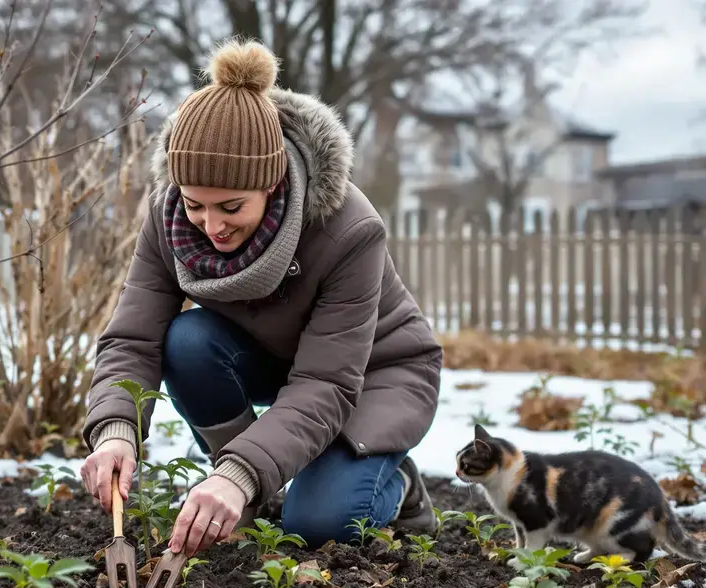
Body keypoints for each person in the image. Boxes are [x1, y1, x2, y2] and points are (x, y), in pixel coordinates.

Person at [77, 37, 443, 559]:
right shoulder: (168, 216)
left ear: (271, 183)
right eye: (195, 204)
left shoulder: (347, 230)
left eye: (230, 206)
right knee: (186, 341)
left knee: (318, 525)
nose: (211, 226)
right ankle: (254, 486)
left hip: (371, 377)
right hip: (277, 358)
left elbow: (326, 381)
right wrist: (115, 429)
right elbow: (134, 338)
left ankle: (394, 482)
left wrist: (240, 473)